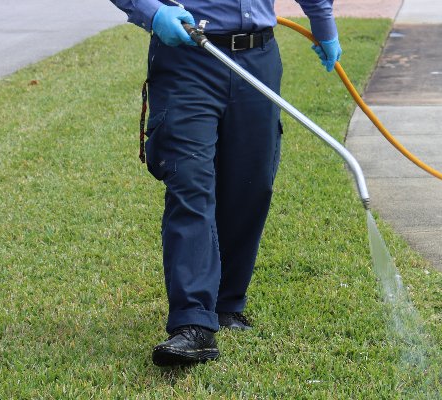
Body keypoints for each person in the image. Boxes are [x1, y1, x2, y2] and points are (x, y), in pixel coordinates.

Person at [108, 0, 341, 366]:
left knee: (251, 183)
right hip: (187, 56)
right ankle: (193, 322)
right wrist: (152, 12)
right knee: (190, 184)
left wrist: (323, 22)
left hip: (258, 59)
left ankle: (226, 304)